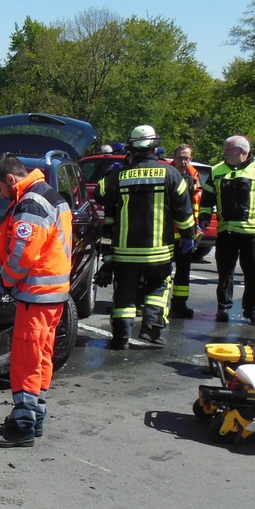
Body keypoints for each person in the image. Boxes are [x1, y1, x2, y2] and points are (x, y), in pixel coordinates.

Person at [0, 154, 72, 447]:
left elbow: (24, 256)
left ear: (10, 179)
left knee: (25, 360)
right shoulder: (50, 196)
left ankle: (22, 427)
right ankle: (35, 415)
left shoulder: (31, 203)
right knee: (42, 357)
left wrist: (4, 282)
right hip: (53, 294)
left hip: (36, 295)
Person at [95, 126, 195, 349]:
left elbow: (99, 194)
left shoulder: (120, 175)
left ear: (131, 148)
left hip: (125, 252)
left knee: (125, 293)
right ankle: (152, 331)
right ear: (155, 147)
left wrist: (111, 174)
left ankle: (121, 337)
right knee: (158, 289)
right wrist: (189, 236)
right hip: (159, 252)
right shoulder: (171, 174)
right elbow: (184, 212)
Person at [199, 136, 255, 326]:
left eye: (228, 150)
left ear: (241, 151)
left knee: (253, 273)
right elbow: (207, 197)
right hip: (226, 231)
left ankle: (252, 310)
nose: (224, 153)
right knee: (224, 272)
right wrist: (204, 217)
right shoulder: (217, 170)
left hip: (252, 233)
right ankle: (223, 307)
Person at [169, 143, 203, 318]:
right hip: (166, 232)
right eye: (180, 157)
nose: (183, 161)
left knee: (183, 271)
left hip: (185, 233)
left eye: (186, 158)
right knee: (159, 270)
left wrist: (194, 230)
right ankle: (148, 303)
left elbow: (195, 204)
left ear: (191, 158)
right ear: (174, 157)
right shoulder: (167, 173)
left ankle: (179, 304)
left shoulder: (193, 175)